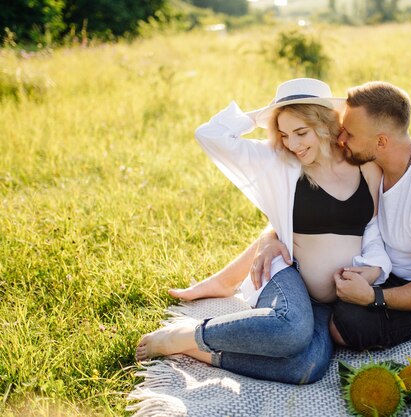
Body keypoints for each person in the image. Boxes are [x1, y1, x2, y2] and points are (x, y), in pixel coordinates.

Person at [135, 78, 391, 384]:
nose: (293, 144)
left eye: (301, 132)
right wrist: (263, 114)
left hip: (333, 300)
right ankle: (186, 335)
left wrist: (374, 269)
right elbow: (209, 134)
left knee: (307, 368)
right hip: (287, 273)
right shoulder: (281, 160)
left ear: (325, 124)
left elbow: (375, 228)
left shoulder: (365, 167)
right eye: (284, 134)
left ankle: (202, 351)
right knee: (292, 329)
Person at [245, 81, 411, 351]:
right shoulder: (372, 164)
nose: (340, 140)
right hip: (378, 273)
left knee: (346, 326)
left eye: (349, 134)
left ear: (381, 141)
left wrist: (374, 297)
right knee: (330, 316)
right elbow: (320, 214)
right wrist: (270, 236)